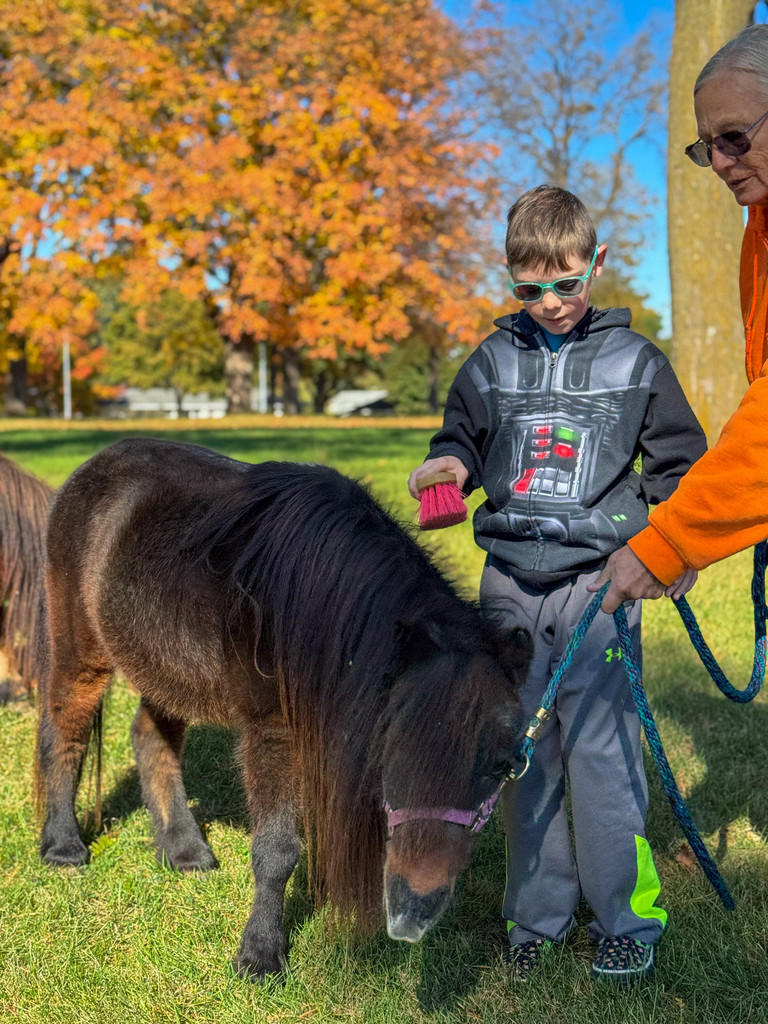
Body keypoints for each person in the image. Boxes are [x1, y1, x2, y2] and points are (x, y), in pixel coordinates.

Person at [408, 185, 707, 985]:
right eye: (530, 288)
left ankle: (626, 917)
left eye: (567, 283)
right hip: (507, 588)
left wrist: (666, 547)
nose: (551, 303)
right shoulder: (490, 360)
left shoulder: (638, 363)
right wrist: (448, 469)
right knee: (522, 753)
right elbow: (460, 440)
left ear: (596, 265)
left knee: (603, 757)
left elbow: (679, 468)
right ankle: (535, 914)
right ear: (510, 278)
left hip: (599, 589)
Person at [590, 23, 768, 614]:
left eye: (735, 138)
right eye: (706, 146)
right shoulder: (760, 225)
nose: (718, 162)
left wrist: (666, 543)